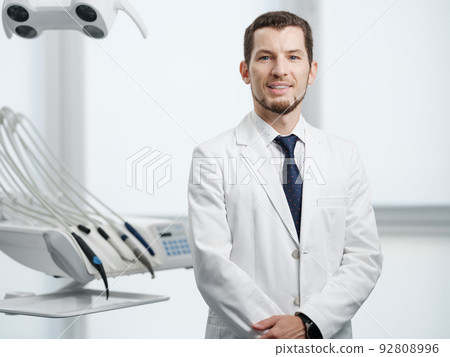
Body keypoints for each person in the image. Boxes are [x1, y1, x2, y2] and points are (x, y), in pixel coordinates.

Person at [188, 11, 382, 339]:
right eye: (266, 57)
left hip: (323, 337)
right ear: (245, 71)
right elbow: (211, 266)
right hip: (248, 338)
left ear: (311, 71)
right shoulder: (212, 157)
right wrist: (278, 332)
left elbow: (364, 258)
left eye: (293, 56)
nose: (280, 69)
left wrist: (308, 323)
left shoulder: (344, 156)